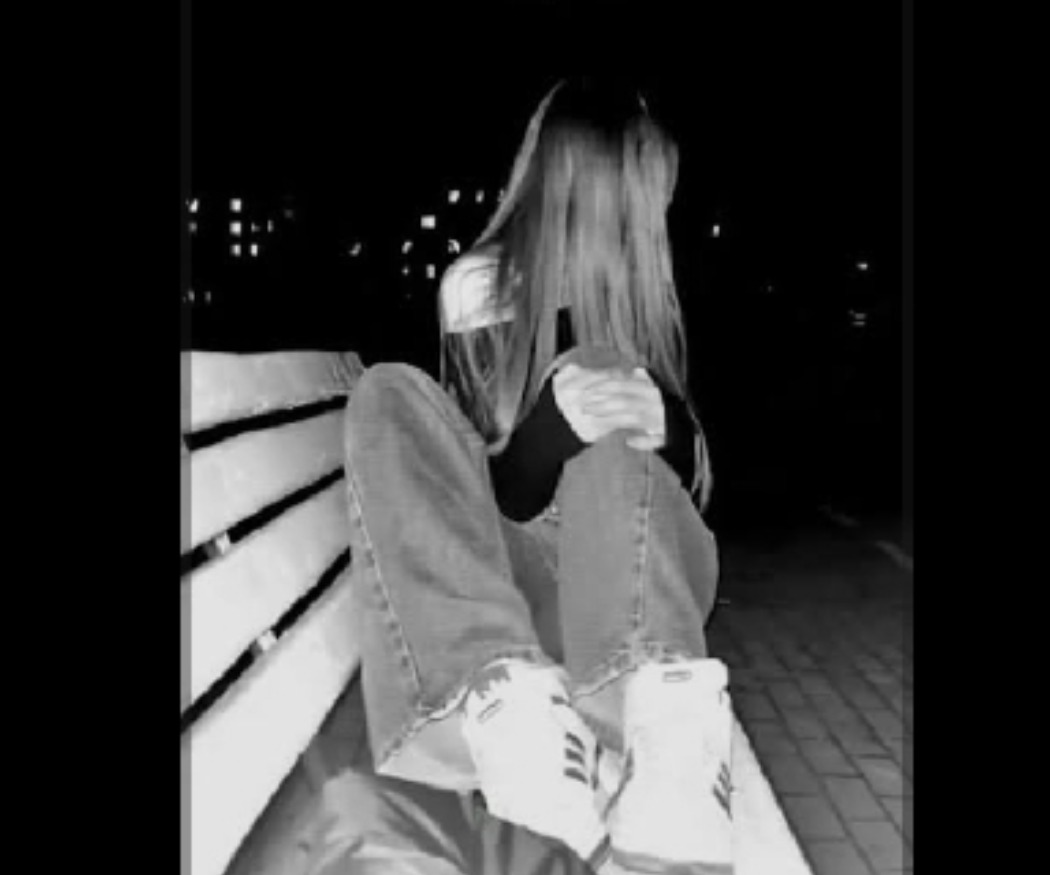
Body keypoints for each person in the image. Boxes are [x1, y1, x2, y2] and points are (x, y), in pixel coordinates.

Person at [341, 77, 734, 874]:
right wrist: (550, 432)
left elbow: (686, 508)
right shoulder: (480, 288)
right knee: (387, 391)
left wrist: (670, 431)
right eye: (650, 186)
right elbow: (473, 508)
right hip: (520, 617)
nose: (662, 207)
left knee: (603, 370)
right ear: (599, 184)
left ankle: (674, 753)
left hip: (635, 625)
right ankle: (521, 729)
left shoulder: (651, 292)